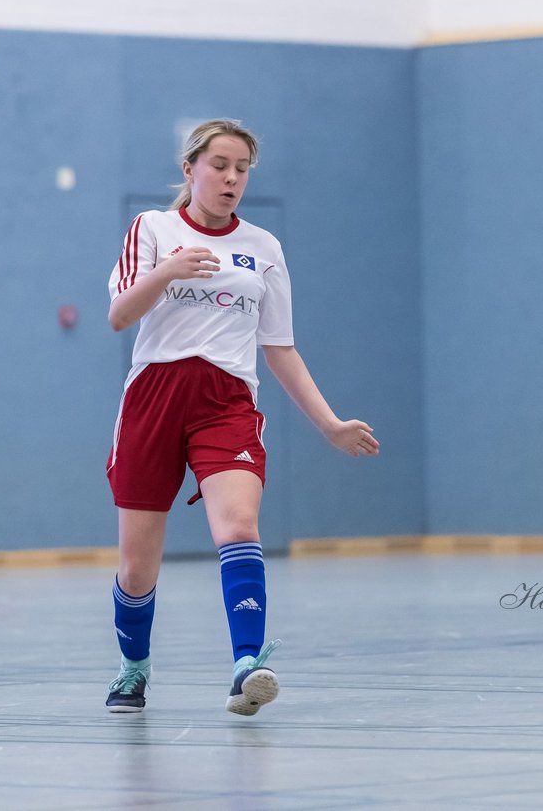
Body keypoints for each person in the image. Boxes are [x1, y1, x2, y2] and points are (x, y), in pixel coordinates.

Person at [104, 119, 380, 716]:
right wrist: (168, 271)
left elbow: (279, 347)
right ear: (190, 169)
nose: (232, 178)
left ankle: (246, 665)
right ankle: (134, 667)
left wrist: (329, 423)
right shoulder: (151, 229)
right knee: (137, 563)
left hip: (226, 404)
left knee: (238, 527)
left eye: (242, 169)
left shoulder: (264, 248)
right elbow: (120, 315)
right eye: (220, 165)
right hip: (153, 399)